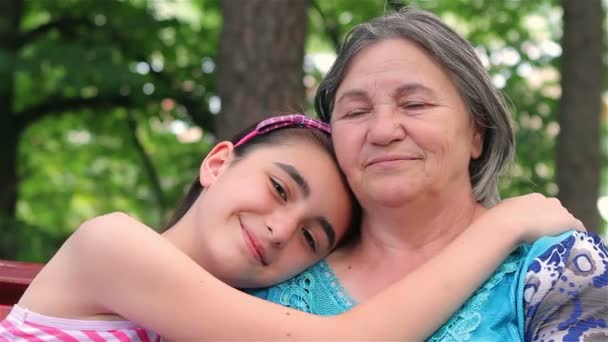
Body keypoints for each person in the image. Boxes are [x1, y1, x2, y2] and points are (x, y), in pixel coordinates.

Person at [0, 114, 584, 341]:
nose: (282, 230)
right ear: (217, 162)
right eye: (280, 188)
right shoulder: (114, 244)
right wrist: (501, 224)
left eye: (312, 237)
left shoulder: (216, 315)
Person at [250, 7, 608, 341]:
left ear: (477, 134)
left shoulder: (561, 266)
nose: (383, 131)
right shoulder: (275, 266)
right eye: (356, 112)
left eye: (415, 104)